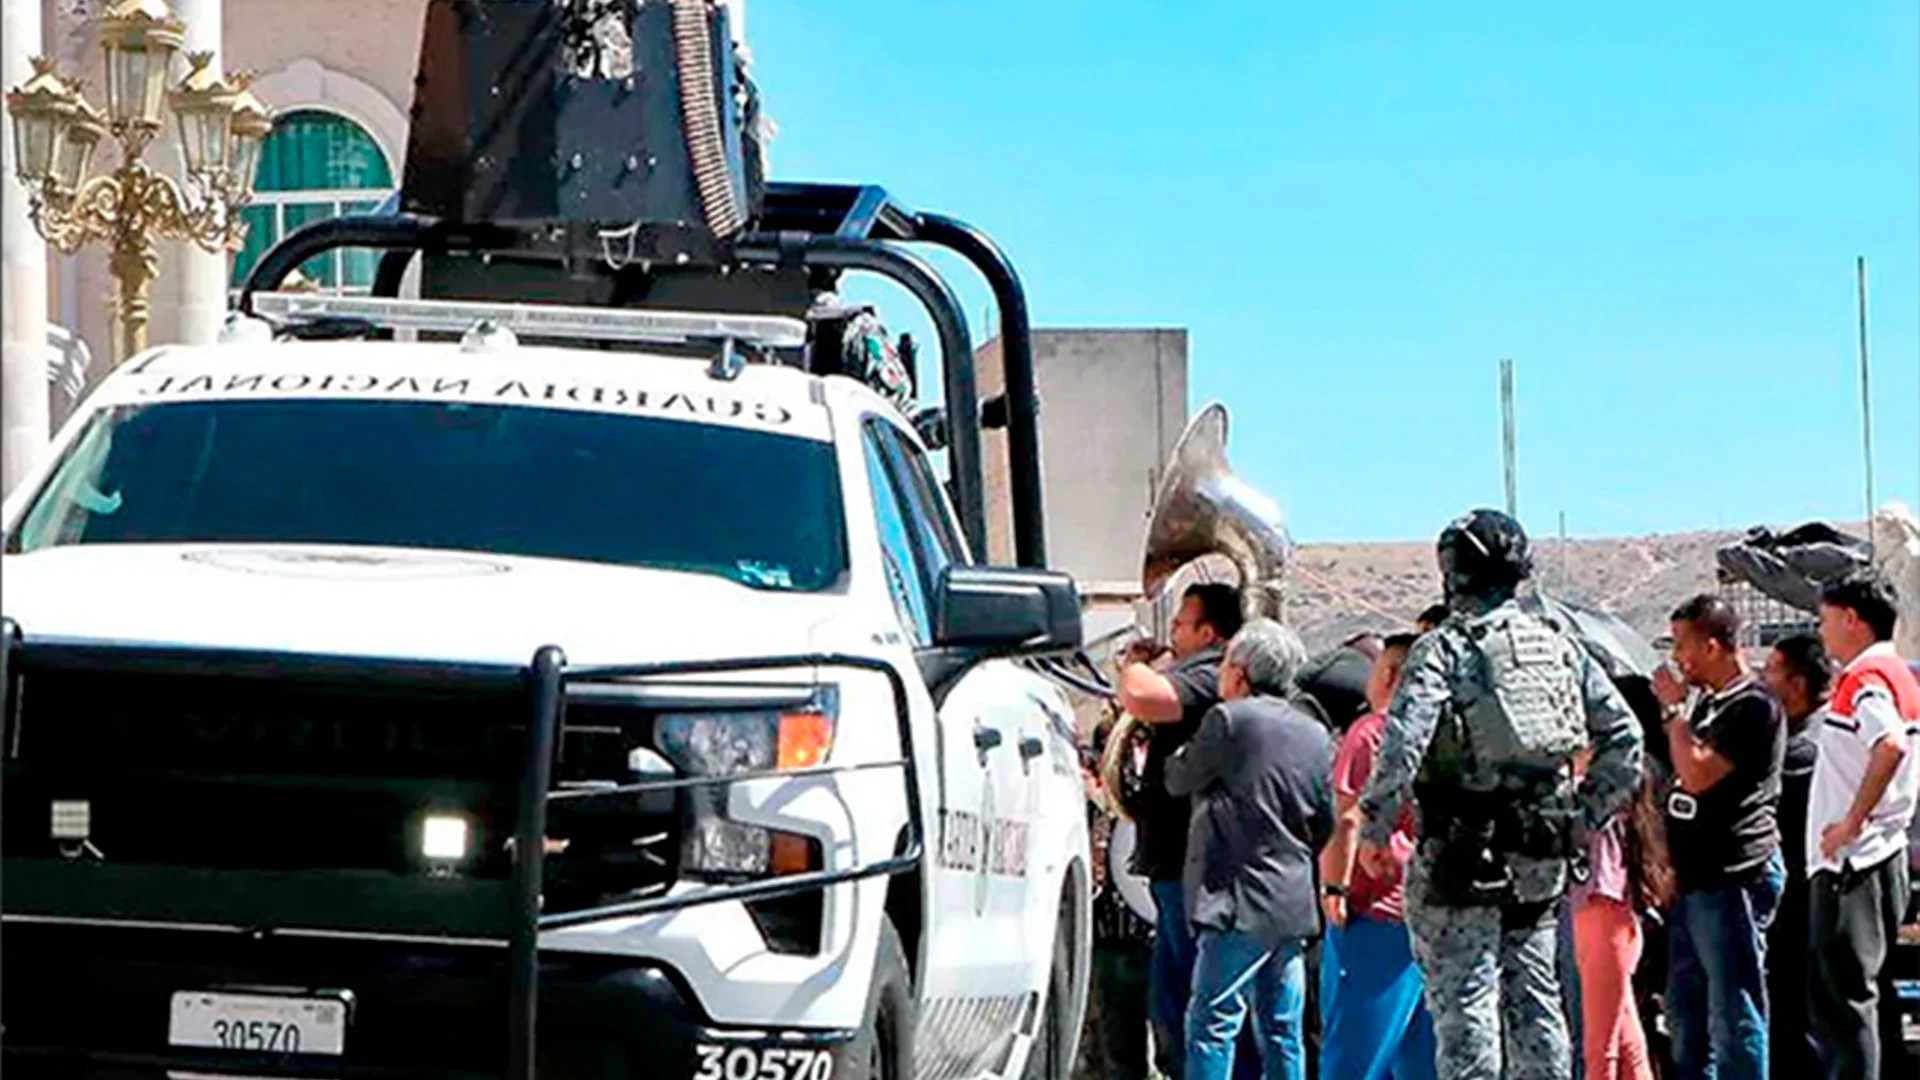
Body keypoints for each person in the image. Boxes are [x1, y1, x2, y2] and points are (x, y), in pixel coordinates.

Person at [1356, 508, 1644, 1080]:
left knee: (1467, 1013)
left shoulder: (1444, 649)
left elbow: (1403, 744)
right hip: (1539, 857)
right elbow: (1626, 739)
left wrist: (1376, 829)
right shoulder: (1560, 647)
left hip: (1458, 859)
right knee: (1537, 1005)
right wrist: (1579, 820)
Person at [1165, 619, 1335, 1080]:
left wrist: (1175, 755)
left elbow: (1180, 778)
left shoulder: (1228, 720)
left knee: (1212, 1022)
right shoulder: (1315, 733)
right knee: (1282, 1027)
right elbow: (1325, 821)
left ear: (1239, 673)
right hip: (1292, 903)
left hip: (1237, 901)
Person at [1652, 595, 1786, 1080]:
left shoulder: (1754, 707)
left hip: (1732, 880)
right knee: (1686, 1014)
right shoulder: (1711, 704)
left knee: (1734, 1011)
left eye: (1682, 645)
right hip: (1694, 880)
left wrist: (1673, 713)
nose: (1677, 658)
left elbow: (1697, 774)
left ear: (1712, 646)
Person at [1117, 582, 1244, 1079]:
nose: (1171, 631)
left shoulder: (1207, 674)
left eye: (1180, 623)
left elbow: (1143, 696)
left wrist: (1135, 664)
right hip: (1175, 860)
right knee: (1172, 984)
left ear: (1208, 633)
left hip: (1189, 862)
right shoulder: (1198, 672)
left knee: (1186, 987)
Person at [1806, 574, 1919, 1080]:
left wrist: (1851, 822)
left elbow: (1889, 743)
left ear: (1851, 618)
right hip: (1883, 853)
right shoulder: (1899, 674)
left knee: (1845, 1003)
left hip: (1854, 864)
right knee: (1871, 998)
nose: (1821, 630)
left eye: (1825, 618)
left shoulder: (1864, 678)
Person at [1317, 633, 1438, 1080]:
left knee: (1353, 1052)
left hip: (1375, 903)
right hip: (1430, 906)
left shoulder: (1369, 733)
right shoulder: (1443, 734)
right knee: (1420, 1054)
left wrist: (1333, 885)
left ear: (1388, 674)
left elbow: (1348, 817)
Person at [1760, 633, 1831, 1078]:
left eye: (1772, 672)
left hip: (1802, 898)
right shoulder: (1801, 735)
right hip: (1799, 894)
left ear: (1798, 684)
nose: (1764, 681)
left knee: (1796, 1008)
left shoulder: (1805, 748)